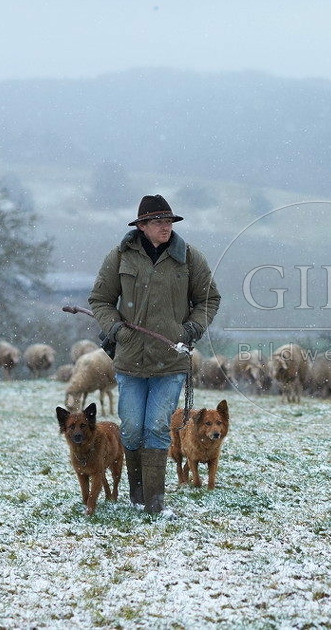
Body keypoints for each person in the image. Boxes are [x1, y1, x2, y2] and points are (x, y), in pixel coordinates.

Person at [88, 194, 221, 514]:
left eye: (169, 222)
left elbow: (209, 300)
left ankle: (155, 503)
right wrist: (116, 330)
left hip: (171, 361)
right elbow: (100, 300)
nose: (166, 227)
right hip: (130, 359)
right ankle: (137, 496)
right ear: (143, 226)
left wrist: (189, 331)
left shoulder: (189, 258)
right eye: (159, 222)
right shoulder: (120, 256)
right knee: (132, 427)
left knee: (158, 426)